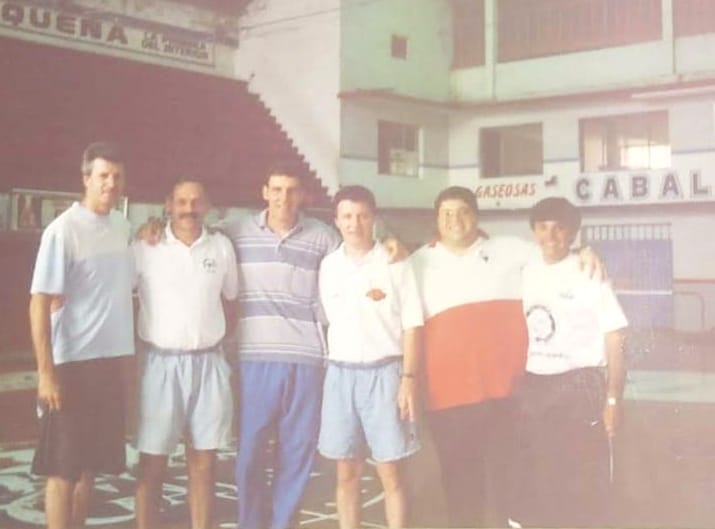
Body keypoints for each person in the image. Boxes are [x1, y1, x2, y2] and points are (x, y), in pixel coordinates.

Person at [220, 165, 341, 529]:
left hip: (307, 359)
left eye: (291, 190)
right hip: (255, 358)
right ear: (264, 192)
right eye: (276, 189)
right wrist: (152, 227)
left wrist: (394, 247)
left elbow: (357, 260)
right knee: (250, 453)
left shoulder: (324, 237)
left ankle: (283, 523)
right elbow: (193, 235)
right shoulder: (236, 231)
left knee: (297, 453)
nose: (283, 198)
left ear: (303, 195)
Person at [409, 186, 531, 527]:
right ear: (437, 220)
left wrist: (585, 252)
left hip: (508, 391)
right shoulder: (416, 262)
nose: (455, 220)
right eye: (446, 214)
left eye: (462, 211)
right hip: (446, 395)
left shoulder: (511, 249)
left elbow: (556, 258)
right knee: (460, 480)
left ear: (476, 215)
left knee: (511, 477)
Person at [28, 141, 134, 529]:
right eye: (103, 175)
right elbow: (39, 303)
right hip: (71, 366)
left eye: (117, 176)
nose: (111, 183)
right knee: (63, 471)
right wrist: (46, 373)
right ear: (86, 179)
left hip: (110, 365)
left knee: (89, 466)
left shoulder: (123, 227)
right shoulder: (63, 230)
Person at [510, 197, 627, 528]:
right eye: (543, 228)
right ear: (533, 232)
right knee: (539, 470)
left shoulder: (588, 271)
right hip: (536, 383)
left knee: (582, 475)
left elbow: (615, 337)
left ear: (573, 233)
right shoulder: (524, 268)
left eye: (559, 228)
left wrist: (613, 398)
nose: (551, 236)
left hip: (580, 385)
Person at [133, 179, 238, 529]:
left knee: (204, 462)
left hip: (209, 363)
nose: (189, 209)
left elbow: (232, 299)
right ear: (168, 204)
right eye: (181, 201)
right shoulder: (144, 245)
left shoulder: (221, 246)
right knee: (152, 462)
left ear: (207, 205)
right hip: (160, 365)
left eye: (196, 201)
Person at [318, 185, 423, 529]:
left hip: (386, 375)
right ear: (336, 220)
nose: (355, 223)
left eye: (362, 215)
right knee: (346, 472)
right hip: (341, 376)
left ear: (374, 218)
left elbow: (412, 325)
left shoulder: (395, 261)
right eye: (347, 216)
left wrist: (408, 380)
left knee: (390, 473)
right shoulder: (329, 266)